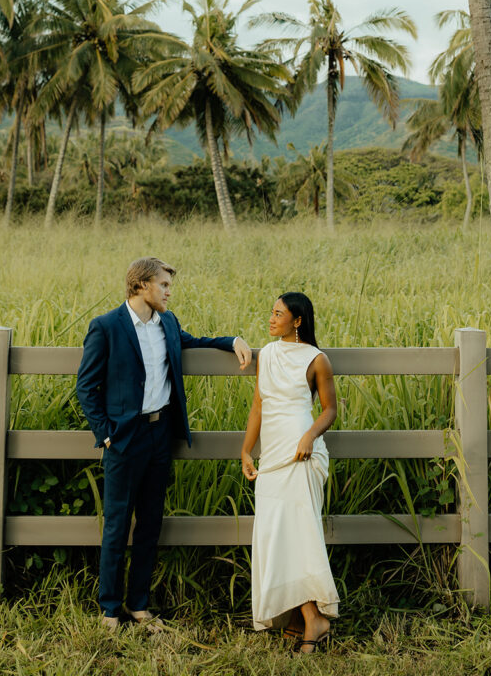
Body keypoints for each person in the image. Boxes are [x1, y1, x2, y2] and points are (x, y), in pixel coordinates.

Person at [76, 256, 252, 631]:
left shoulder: (167, 322)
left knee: (150, 524)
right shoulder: (106, 327)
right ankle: (110, 610)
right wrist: (106, 434)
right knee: (117, 525)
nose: (170, 292)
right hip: (124, 439)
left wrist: (232, 340)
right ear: (141, 285)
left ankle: (139, 606)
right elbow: (86, 387)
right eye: (164, 285)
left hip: (160, 436)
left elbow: (194, 342)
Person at [241, 292, 339, 653]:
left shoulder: (317, 360)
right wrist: (246, 450)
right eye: (272, 312)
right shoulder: (265, 354)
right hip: (272, 458)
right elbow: (258, 406)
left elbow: (329, 409)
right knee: (276, 535)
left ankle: (315, 617)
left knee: (299, 535)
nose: (271, 318)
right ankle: (300, 617)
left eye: (279, 314)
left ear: (297, 321)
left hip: (301, 454)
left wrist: (310, 436)